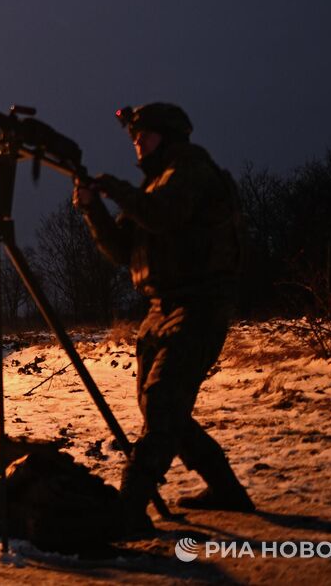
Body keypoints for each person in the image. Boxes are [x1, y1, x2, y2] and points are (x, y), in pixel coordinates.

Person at [72, 102, 254, 530]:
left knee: (162, 403)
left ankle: (129, 507)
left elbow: (162, 216)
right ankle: (226, 489)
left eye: (145, 135)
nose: (137, 143)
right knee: (160, 408)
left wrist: (115, 188)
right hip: (161, 307)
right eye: (134, 137)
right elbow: (122, 250)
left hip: (200, 303)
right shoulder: (154, 185)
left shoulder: (190, 171)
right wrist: (92, 207)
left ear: (168, 137)